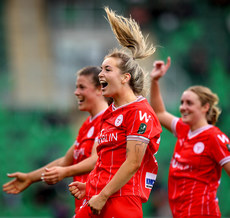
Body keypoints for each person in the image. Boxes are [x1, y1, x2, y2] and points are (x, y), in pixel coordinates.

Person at [68, 7, 162, 218]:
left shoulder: (140, 112)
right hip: (99, 196)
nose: (100, 74)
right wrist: (91, 187)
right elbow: (105, 160)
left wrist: (102, 195)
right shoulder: (109, 114)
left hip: (121, 200)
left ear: (125, 77)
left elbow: (132, 163)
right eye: (101, 69)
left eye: (107, 70)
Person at [2, 66, 110, 214]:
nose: (76, 92)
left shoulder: (108, 120)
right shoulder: (87, 125)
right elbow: (66, 160)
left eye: (82, 87)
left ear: (99, 89)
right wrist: (30, 178)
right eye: (76, 87)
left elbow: (96, 160)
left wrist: (65, 172)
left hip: (101, 207)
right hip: (85, 206)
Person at [150, 57, 230, 217]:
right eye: (182, 102)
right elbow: (159, 113)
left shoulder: (214, 137)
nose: (183, 107)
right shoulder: (183, 129)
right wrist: (154, 80)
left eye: (189, 103)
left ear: (205, 107)